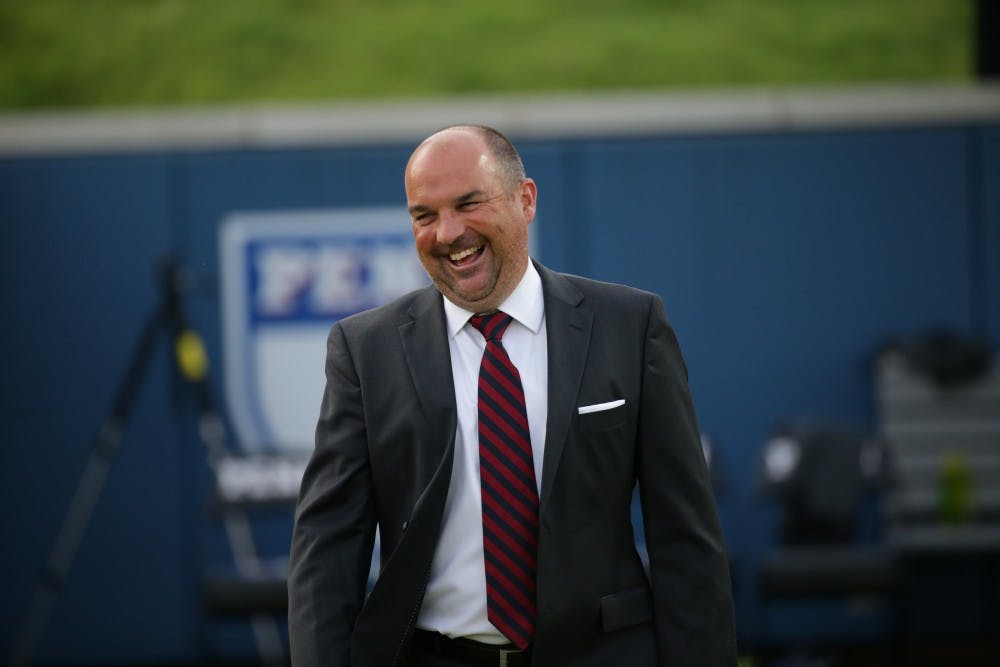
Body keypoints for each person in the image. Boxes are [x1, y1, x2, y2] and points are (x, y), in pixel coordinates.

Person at [288, 125, 736, 667]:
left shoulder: (630, 325)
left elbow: (686, 539)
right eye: (423, 216)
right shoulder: (364, 350)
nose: (448, 232)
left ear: (525, 200)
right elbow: (327, 550)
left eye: (468, 204)